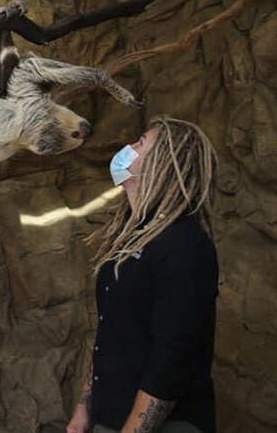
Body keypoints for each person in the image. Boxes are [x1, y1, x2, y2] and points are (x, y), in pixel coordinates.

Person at [67, 117, 220, 433]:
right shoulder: (130, 236)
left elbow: (171, 358)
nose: (127, 148)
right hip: (111, 415)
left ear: (162, 163)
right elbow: (111, 330)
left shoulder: (184, 244)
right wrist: (85, 408)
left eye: (140, 143)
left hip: (165, 424)